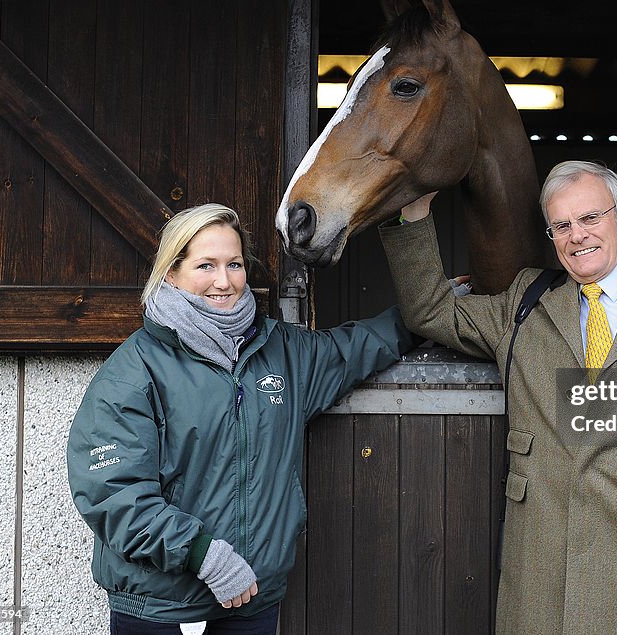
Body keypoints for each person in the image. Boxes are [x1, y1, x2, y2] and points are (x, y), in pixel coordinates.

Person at [379, 160, 617, 634]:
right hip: (547, 571)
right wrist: (412, 214)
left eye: (590, 218)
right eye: (561, 225)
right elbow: (429, 311)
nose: (576, 235)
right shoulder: (526, 301)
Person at [67, 203, 414, 633]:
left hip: (251, 603)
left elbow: (357, 347)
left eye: (233, 264)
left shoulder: (282, 353)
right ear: (171, 273)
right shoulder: (134, 372)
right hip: (165, 609)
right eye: (205, 265)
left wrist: (431, 306)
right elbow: (113, 494)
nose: (223, 281)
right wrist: (202, 554)